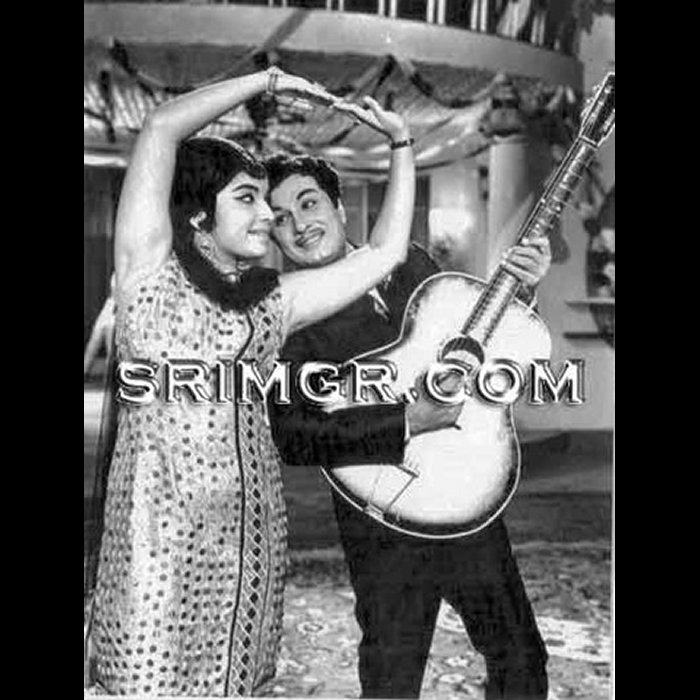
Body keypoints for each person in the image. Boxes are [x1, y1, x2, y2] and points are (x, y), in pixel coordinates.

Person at [87, 67, 416, 697]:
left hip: (251, 534)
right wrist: (266, 82)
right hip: (155, 535)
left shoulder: (274, 302)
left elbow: (383, 255)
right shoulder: (147, 273)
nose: (269, 216)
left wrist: (401, 144)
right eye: (247, 198)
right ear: (198, 215)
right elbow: (161, 127)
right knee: (147, 679)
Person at [265, 152, 553, 699]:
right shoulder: (284, 317)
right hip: (382, 519)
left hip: (466, 499)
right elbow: (295, 436)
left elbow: (471, 343)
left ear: (339, 207)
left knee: (519, 656)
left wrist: (523, 292)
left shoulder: (412, 263)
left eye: (308, 204)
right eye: (281, 217)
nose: (299, 224)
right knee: (392, 682)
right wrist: (406, 420)